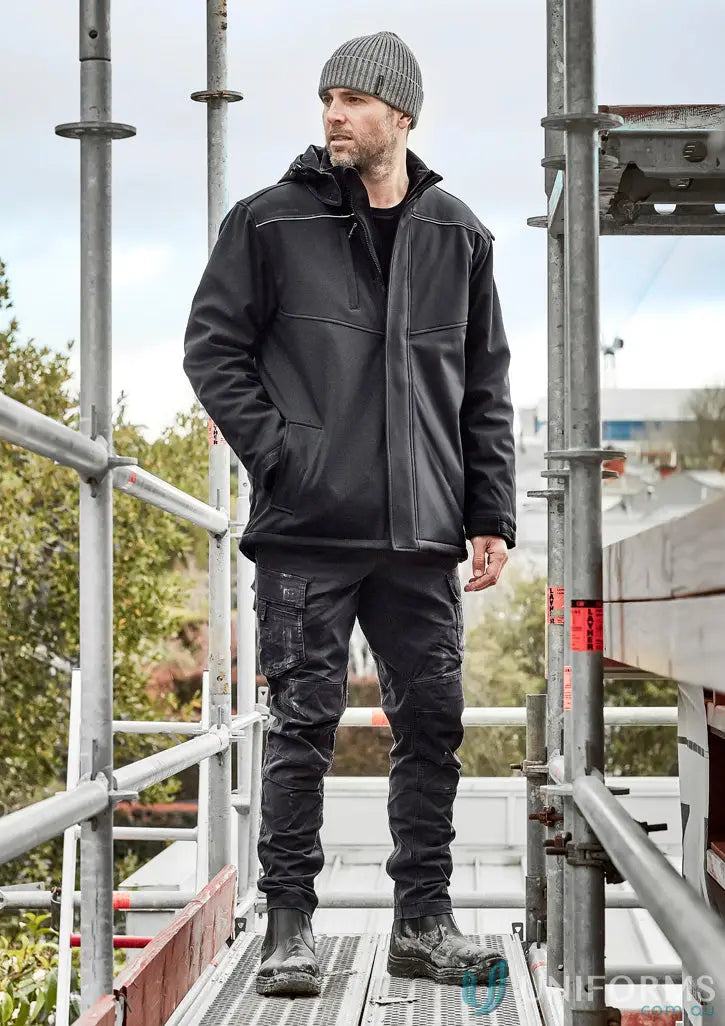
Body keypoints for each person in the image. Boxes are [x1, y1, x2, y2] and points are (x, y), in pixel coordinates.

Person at [183, 30, 516, 998]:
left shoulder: (458, 234)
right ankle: (288, 926)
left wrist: (485, 510)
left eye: (354, 100)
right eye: (326, 98)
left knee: (434, 724)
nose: (333, 114)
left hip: (419, 533)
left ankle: (424, 922)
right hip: (307, 531)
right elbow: (213, 354)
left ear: (400, 116)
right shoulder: (267, 223)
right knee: (301, 725)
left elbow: (482, 390)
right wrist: (287, 457)